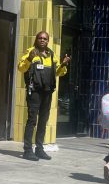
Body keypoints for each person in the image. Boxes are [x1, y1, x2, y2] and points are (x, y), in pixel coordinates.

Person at [17, 31, 70, 161]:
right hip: (34, 91)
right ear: (36, 39)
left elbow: (58, 73)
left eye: (45, 39)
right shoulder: (31, 52)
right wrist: (29, 58)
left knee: (43, 121)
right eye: (40, 38)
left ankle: (39, 149)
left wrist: (63, 64)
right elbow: (21, 68)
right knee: (32, 120)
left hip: (47, 92)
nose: (42, 40)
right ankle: (28, 150)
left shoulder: (51, 55)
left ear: (48, 41)